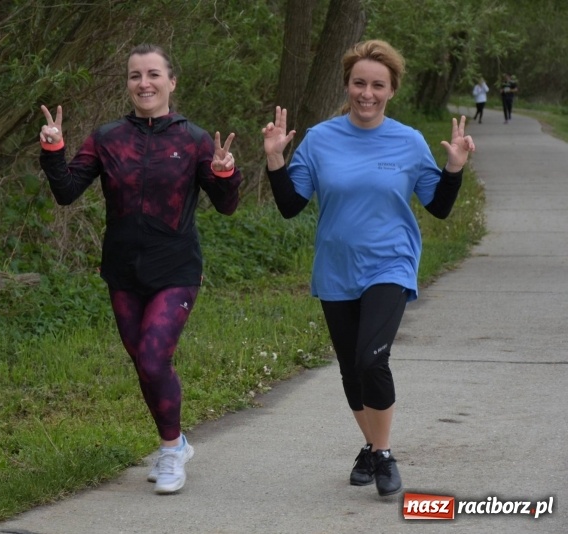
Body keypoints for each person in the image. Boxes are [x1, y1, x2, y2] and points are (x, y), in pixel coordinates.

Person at [262, 39, 475, 497]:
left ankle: (383, 454)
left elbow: (437, 207)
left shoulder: (409, 141)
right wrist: (276, 159)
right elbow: (289, 205)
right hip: (337, 267)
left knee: (370, 358)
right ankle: (371, 445)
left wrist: (453, 169)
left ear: (391, 90)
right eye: (359, 83)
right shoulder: (320, 139)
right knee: (349, 369)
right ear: (347, 85)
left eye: (378, 85)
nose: (367, 93)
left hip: (390, 263)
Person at [38, 44, 243, 494]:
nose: (144, 83)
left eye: (153, 74)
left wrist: (226, 174)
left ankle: (171, 451)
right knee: (143, 364)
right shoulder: (108, 137)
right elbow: (68, 191)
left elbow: (226, 207)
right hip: (123, 272)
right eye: (135, 76)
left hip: (177, 269)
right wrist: (54, 150)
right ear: (128, 84)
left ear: (171, 81)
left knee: (154, 357)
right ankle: (177, 442)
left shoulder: (193, 139)